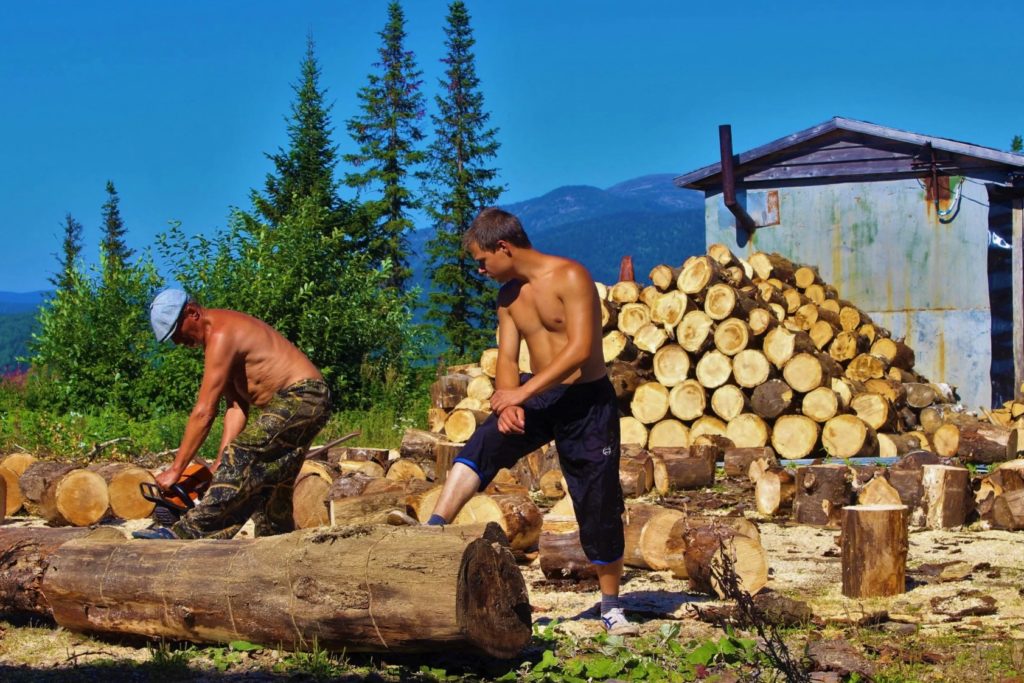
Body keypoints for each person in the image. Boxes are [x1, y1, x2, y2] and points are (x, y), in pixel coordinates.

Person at [426, 207, 639, 636]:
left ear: (504, 247)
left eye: (483, 261)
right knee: (482, 445)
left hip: (587, 402)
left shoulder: (571, 276)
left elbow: (581, 348)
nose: (481, 270)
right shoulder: (508, 297)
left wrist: (521, 392)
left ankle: (612, 607)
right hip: (538, 395)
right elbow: (507, 357)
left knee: (597, 500)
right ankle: (430, 531)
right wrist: (509, 406)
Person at [133, 289, 332, 540]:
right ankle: (276, 544)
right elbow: (236, 408)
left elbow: (204, 413)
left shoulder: (222, 333)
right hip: (298, 402)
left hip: (305, 396)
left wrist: (176, 468)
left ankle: (190, 533)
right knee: (270, 486)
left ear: (192, 313)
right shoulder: (217, 345)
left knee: (243, 452)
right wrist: (218, 462)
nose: (177, 342)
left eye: (176, 333)